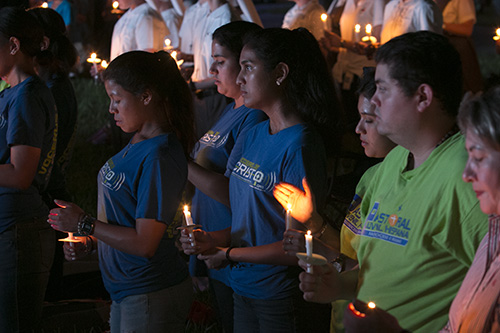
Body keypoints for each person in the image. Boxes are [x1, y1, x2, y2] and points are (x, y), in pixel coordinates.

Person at [298, 31, 488, 332]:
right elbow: (389, 269)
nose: (373, 99)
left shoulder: (467, 176)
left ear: (423, 97)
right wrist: (340, 285)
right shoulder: (395, 160)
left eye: (383, 89)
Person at [182, 27, 341, 332]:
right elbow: (252, 220)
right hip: (243, 286)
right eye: (239, 67)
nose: (239, 79)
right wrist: (213, 238)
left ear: (280, 73)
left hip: (278, 295)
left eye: (248, 67)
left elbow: (294, 246)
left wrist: (226, 253)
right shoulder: (255, 132)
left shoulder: (300, 144)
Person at [47, 50, 195, 332]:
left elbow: (145, 243)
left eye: (117, 100)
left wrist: (84, 223)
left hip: (151, 292)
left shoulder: (159, 155)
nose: (111, 109)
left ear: (146, 96)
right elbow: (125, 219)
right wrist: (90, 243)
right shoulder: (139, 140)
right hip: (126, 290)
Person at [343, 86, 500, 332]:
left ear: (423, 97)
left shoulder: (468, 203)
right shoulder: (493, 235)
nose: (467, 174)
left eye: (478, 158)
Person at [187, 21, 266, 333]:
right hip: (214, 252)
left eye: (220, 62)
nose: (212, 69)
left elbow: (237, 192)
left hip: (235, 250)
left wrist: (182, 163)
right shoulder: (231, 109)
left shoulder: (255, 117)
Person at [0, 7, 57, 332]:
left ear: (13, 45)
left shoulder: (28, 96)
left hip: (18, 233)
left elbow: (21, 174)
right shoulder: (11, 94)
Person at [28, 6, 79, 301]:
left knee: (43, 290)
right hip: (50, 192)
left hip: (47, 195)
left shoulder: (51, 91)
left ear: (43, 43)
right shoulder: (50, 85)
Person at [319, 0, 385, 128]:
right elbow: (331, 19)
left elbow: (377, 42)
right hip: (345, 72)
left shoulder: (377, 2)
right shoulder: (347, 2)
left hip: (364, 72)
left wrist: (343, 43)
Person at [441, 0, 483, 93]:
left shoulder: (463, 1)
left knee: (463, 85)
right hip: (440, 47)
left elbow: (467, 29)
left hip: (457, 48)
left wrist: (441, 24)